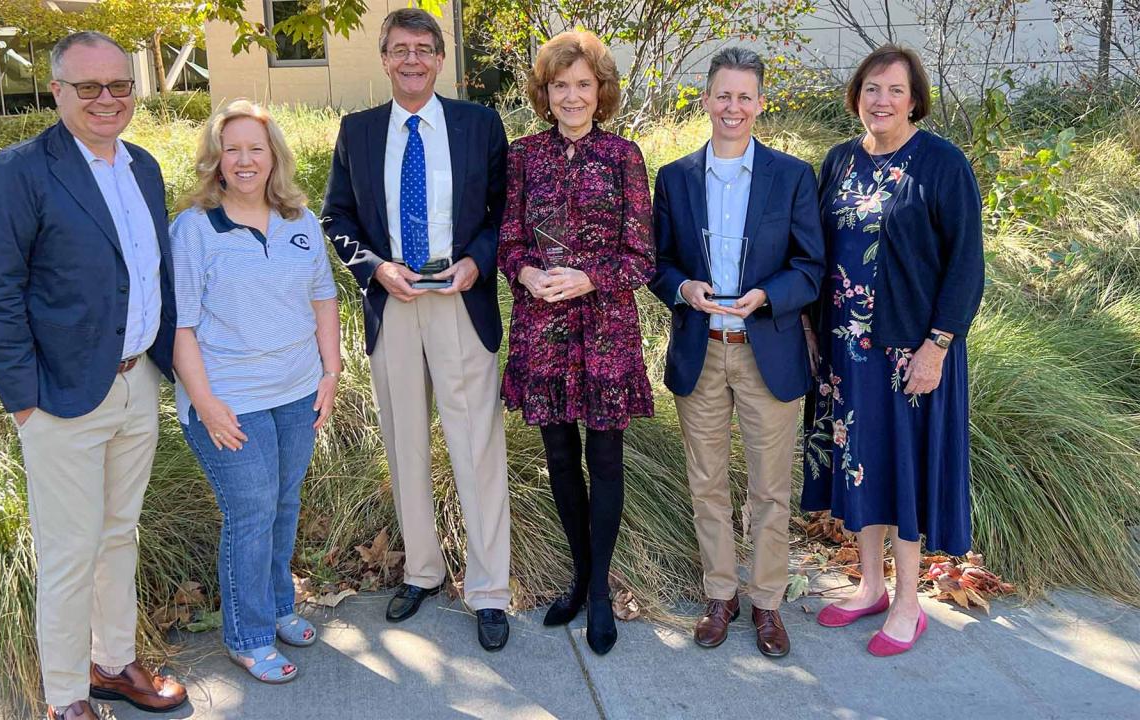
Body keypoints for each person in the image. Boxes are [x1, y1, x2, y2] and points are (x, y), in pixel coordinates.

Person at [0, 31, 186, 720]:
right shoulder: (19, 170)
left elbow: (149, 276)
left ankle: (113, 665)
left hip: (135, 383)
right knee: (68, 553)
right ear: (57, 90)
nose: (106, 99)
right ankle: (65, 701)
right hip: (60, 398)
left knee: (121, 533)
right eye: (87, 87)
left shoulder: (143, 167)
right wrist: (25, 402)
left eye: (120, 85)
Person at [320, 8, 512, 651]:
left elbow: (503, 214)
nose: (412, 59)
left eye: (424, 49)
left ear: (439, 57)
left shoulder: (479, 124)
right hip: (394, 304)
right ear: (383, 57)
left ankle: (488, 590)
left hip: (461, 300)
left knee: (476, 448)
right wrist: (376, 270)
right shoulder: (358, 130)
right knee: (406, 446)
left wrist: (475, 262)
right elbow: (336, 219)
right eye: (399, 48)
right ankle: (424, 571)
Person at [801, 44, 984, 656]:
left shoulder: (941, 163)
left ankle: (909, 604)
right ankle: (871, 587)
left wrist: (937, 346)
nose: (881, 101)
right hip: (845, 354)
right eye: (871, 89)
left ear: (915, 100)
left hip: (909, 353)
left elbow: (966, 266)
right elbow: (817, 250)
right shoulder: (838, 161)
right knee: (861, 470)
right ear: (856, 96)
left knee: (900, 475)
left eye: (894, 91)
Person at [648, 47, 824, 658]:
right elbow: (657, 263)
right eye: (723, 95)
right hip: (701, 349)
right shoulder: (673, 178)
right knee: (708, 483)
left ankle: (768, 603)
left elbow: (810, 268)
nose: (733, 107)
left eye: (745, 96)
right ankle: (720, 595)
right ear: (705, 99)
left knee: (772, 490)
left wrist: (765, 297)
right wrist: (682, 288)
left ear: (760, 103)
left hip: (765, 351)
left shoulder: (792, 176)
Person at [169, 100, 341, 682]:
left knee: (285, 504)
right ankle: (247, 634)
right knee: (250, 512)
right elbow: (181, 325)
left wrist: (331, 370)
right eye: (231, 149)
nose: (244, 160)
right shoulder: (194, 228)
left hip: (296, 391)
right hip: (228, 398)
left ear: (274, 158)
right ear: (215, 160)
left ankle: (278, 608)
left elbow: (323, 296)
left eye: (255, 149)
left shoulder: (300, 220)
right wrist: (207, 403)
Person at [498, 30, 654, 656]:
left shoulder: (623, 156)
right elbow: (508, 241)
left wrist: (591, 276)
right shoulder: (523, 156)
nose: (571, 96)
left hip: (606, 332)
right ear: (545, 92)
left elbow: (642, 257)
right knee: (560, 460)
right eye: (559, 85)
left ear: (601, 91)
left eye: (582, 84)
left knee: (605, 460)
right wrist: (528, 273)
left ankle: (599, 596)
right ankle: (581, 575)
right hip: (543, 330)